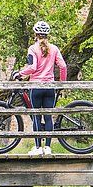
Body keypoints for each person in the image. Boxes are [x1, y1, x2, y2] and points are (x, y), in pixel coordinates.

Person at [17, 20, 68, 156]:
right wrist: (62, 83)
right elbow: (63, 66)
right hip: (50, 87)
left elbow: (32, 68)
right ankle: (48, 148)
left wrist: (20, 73)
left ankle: (38, 147)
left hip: (36, 87)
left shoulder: (32, 49)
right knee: (48, 116)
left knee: (36, 117)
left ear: (35, 34)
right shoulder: (54, 49)